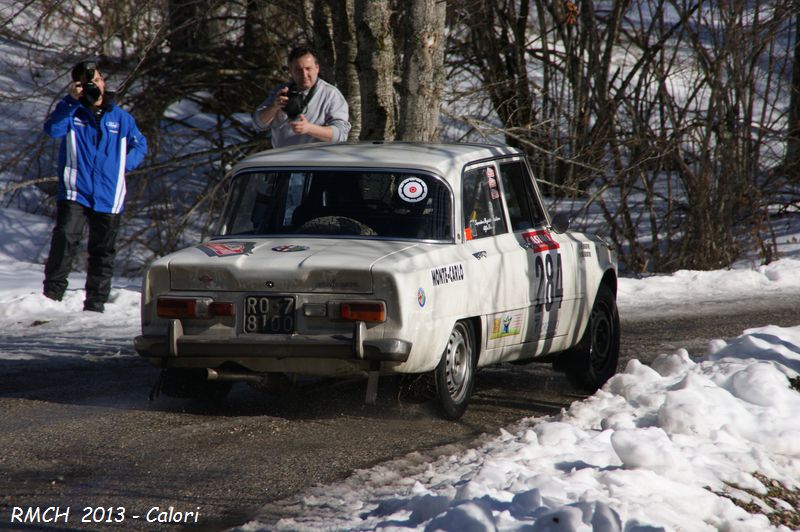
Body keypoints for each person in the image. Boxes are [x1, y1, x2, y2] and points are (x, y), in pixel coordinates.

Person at [42, 59, 148, 312]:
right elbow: (53, 130)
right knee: (65, 237)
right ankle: (51, 296)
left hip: (109, 194)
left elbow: (140, 144)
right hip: (75, 189)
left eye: (97, 80)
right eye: (87, 83)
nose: (94, 86)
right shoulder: (71, 111)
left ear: (103, 82)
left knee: (103, 250)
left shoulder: (121, 117)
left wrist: (122, 164)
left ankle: (96, 303)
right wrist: (70, 101)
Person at [253, 45, 351, 148]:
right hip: (282, 160)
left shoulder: (330, 94)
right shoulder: (281, 91)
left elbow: (341, 135)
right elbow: (257, 124)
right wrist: (274, 107)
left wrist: (309, 128)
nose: (304, 74)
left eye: (308, 68)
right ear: (291, 71)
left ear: (317, 68)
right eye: (298, 70)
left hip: (315, 161)